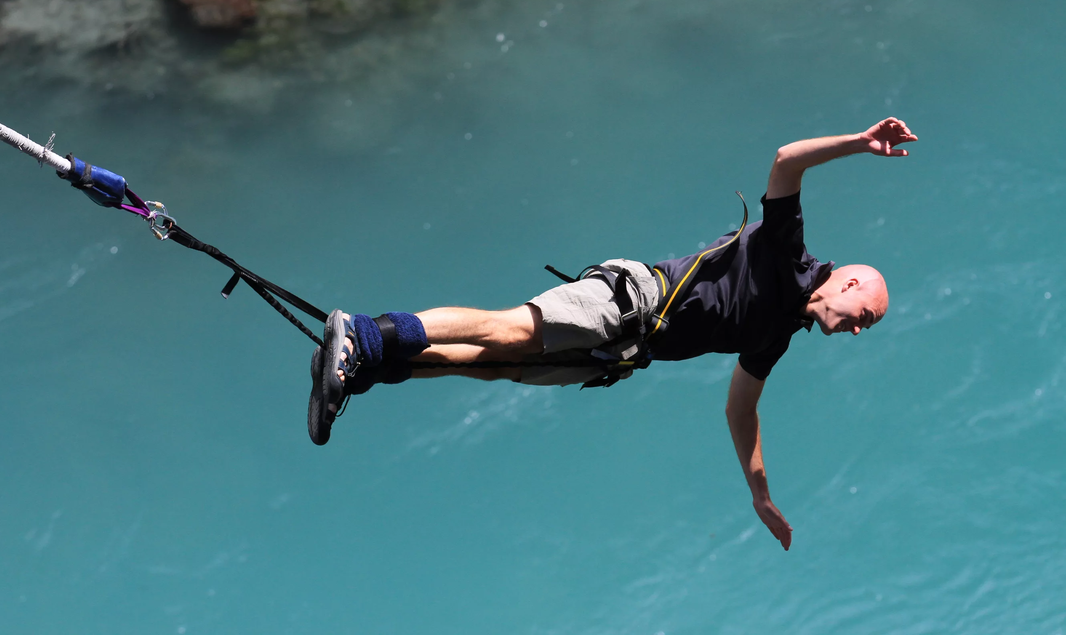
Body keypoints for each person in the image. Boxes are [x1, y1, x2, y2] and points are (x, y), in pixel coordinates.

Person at [308, 117, 917, 550]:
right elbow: (787, 159)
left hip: (627, 350)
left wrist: (759, 493)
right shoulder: (790, 253)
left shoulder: (779, 334)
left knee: (493, 365)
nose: (858, 331)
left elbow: (741, 410)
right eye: (866, 318)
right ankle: (365, 332)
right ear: (851, 285)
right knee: (510, 331)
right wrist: (860, 143)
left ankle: (366, 367)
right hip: (632, 300)